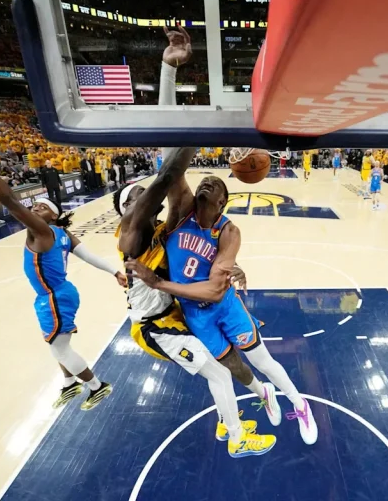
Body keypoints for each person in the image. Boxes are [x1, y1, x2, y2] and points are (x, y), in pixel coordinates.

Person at [116, 28, 275, 458]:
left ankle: (232, 420)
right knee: (220, 376)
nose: (140, 197)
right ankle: (238, 439)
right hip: (155, 328)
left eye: (140, 194)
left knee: (223, 366)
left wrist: (169, 69)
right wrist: (204, 126)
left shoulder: (167, 226)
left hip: (178, 312)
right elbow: (168, 168)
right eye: (133, 199)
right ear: (126, 213)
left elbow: (168, 159)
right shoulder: (132, 238)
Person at [130, 169, 319, 445]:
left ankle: (299, 404)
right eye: (204, 182)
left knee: (261, 360)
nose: (208, 182)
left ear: (223, 201)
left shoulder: (229, 231)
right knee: (231, 366)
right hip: (195, 315)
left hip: (226, 307)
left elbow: (215, 291)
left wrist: (158, 283)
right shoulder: (182, 212)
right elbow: (173, 170)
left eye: (215, 184)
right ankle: (263, 394)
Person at [0, 134, 123, 411]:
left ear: (52, 216)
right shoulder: (61, 232)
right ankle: (70, 384)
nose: (35, 208)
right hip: (56, 294)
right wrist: (115, 272)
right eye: (35, 206)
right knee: (54, 344)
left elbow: (8, 199)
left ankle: (96, 386)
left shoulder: (42, 231)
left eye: (42, 207)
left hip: (54, 295)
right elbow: (87, 255)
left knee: (61, 348)